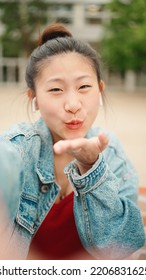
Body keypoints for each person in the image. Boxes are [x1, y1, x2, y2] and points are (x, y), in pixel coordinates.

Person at [0, 23, 145, 260]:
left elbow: (121, 250)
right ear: (34, 97)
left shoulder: (113, 155)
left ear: (99, 90)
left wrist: (92, 169)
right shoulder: (16, 149)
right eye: (56, 89)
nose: (73, 104)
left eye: (84, 87)